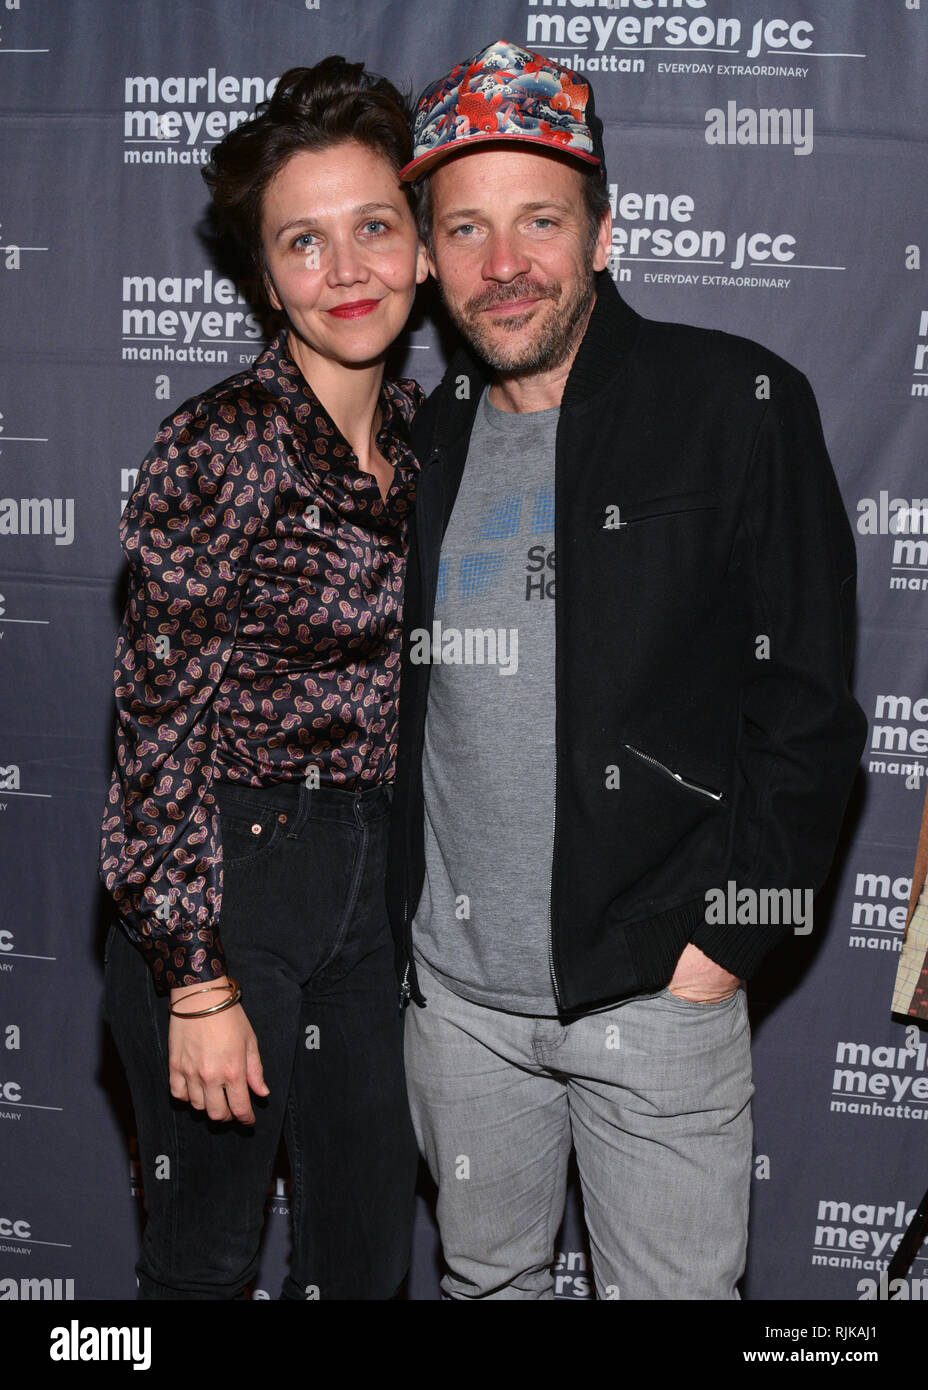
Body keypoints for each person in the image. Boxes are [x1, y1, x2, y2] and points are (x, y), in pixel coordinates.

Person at [386, 38, 868, 1299]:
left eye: (539, 220)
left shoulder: (740, 400)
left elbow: (809, 715)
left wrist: (718, 952)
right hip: (458, 1001)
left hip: (656, 994)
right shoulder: (417, 440)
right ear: (429, 261)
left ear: (602, 232)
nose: (505, 265)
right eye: (467, 230)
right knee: (484, 1278)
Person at [99, 56, 428, 1300]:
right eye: (305, 241)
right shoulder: (219, 442)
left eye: (374, 228)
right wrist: (195, 978)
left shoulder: (423, 441)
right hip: (227, 881)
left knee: (364, 1263)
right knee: (203, 1267)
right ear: (263, 273)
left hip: (373, 895)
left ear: (420, 243)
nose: (346, 272)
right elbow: (157, 726)